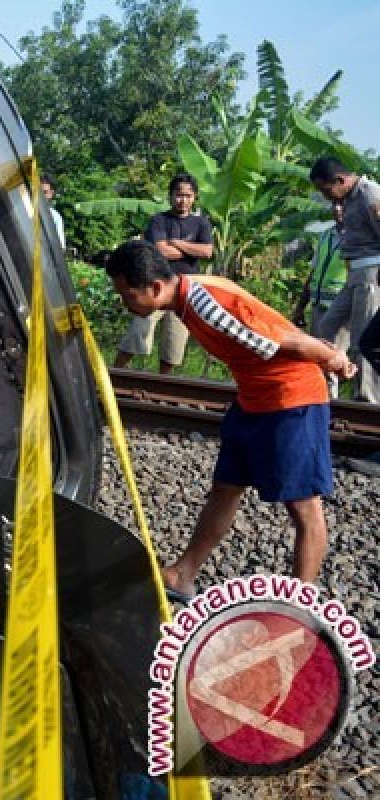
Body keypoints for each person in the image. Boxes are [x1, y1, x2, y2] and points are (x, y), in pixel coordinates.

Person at [103, 240, 355, 597]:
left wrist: (335, 360)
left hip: (291, 398)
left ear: (155, 287)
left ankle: (299, 605)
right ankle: (182, 574)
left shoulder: (205, 304)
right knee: (226, 487)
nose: (125, 303)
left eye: (127, 295)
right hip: (253, 399)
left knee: (303, 506)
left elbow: (290, 344)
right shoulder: (191, 291)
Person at [114, 174, 213, 374]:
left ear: (194, 197)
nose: (182, 200)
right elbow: (160, 250)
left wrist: (176, 243)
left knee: (173, 345)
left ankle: (162, 387)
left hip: (185, 289)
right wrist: (190, 250)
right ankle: (115, 375)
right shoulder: (159, 220)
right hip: (155, 286)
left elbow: (207, 252)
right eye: (178, 195)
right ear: (170, 196)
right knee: (137, 332)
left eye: (187, 195)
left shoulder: (201, 224)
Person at [309, 157, 380, 402]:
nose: (326, 197)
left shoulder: (370, 195)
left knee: (363, 338)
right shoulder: (347, 201)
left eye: (326, 191)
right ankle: (326, 392)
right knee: (327, 326)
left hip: (372, 274)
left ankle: (367, 400)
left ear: (340, 180)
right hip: (354, 273)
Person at [291, 203, 349, 394]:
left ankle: (329, 407)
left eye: (344, 205)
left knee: (332, 361)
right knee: (314, 361)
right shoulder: (325, 236)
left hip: (340, 307)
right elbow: (313, 272)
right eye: (335, 205)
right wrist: (300, 306)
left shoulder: (358, 238)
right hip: (318, 305)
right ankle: (317, 402)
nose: (338, 209)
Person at [41, 173, 66, 251]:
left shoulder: (55, 217)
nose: (40, 195)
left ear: (51, 193)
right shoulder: (24, 209)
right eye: (38, 191)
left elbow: (60, 249)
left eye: (44, 192)